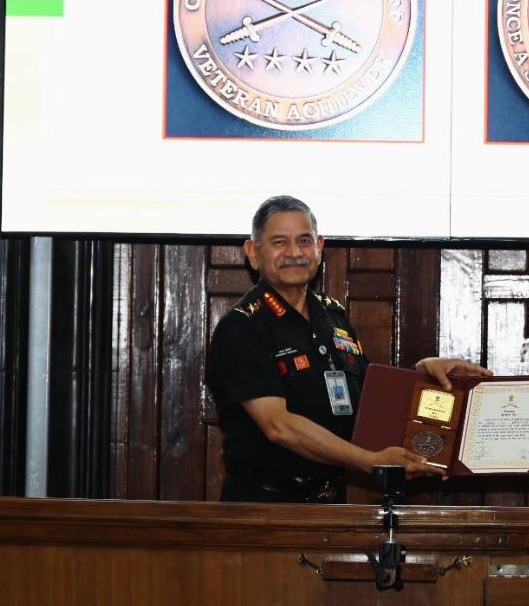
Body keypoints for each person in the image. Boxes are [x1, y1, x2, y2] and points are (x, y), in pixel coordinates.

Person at [206, 195, 489, 503]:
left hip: (332, 503)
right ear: (253, 252)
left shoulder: (333, 317)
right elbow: (279, 426)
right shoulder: (242, 327)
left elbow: (369, 400)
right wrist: (369, 460)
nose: (294, 253)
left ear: (319, 247)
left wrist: (424, 373)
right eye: (279, 242)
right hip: (266, 506)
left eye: (304, 241)